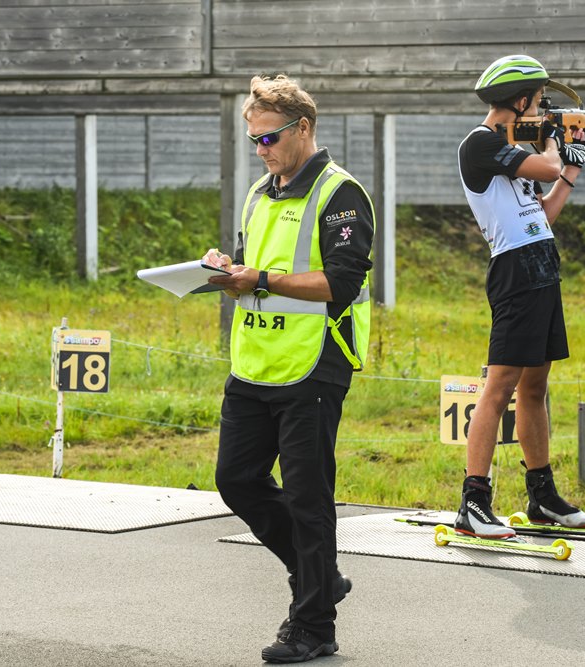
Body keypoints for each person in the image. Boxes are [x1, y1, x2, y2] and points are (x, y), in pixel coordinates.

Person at [202, 74, 374, 663]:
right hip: (255, 363)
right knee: (236, 480)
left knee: (307, 495)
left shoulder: (340, 195)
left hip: (315, 362)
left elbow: (341, 284)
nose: (261, 150)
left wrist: (262, 279)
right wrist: (229, 274)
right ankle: (321, 577)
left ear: (302, 128)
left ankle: (313, 626)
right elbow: (254, 271)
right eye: (253, 140)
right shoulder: (259, 192)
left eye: (269, 138)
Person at [454, 54, 585, 539]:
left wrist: (571, 171)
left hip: (541, 263)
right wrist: (560, 142)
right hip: (514, 271)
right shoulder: (481, 145)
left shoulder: (513, 153)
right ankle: (473, 502)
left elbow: (543, 214)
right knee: (499, 387)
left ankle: (543, 498)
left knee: (535, 387)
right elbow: (549, 163)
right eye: (538, 104)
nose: (540, 111)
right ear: (520, 101)